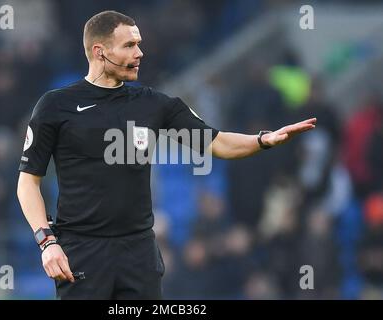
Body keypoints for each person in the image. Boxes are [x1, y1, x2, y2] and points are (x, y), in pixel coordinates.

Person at [16, 10, 316, 300]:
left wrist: (264, 140)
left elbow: (218, 143)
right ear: (100, 51)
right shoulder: (56, 106)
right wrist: (47, 242)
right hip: (82, 252)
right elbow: (28, 183)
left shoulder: (153, 105)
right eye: (130, 45)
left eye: (140, 44)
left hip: (139, 253)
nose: (140, 53)